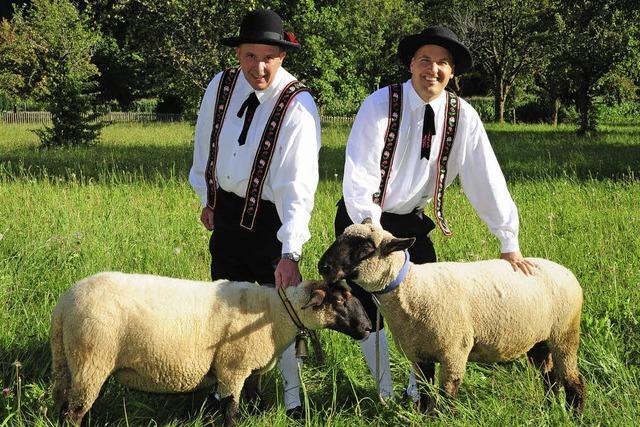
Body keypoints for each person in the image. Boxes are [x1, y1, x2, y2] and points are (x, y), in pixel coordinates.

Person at [333, 26, 535, 402]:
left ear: (452, 72)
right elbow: (359, 171)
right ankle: (384, 391)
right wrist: (372, 230)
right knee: (366, 310)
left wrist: (508, 239)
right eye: (425, 60)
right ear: (411, 64)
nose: (433, 69)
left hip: (411, 223)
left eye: (443, 62)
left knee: (425, 309)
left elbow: (485, 177)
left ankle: (417, 392)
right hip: (365, 223)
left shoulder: (464, 117)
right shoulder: (379, 105)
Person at [189, 9, 321, 418]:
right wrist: (207, 196)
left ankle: (292, 400)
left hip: (271, 223)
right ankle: (226, 396)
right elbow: (205, 142)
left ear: (283, 56)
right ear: (239, 54)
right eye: (249, 56)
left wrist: (290, 251)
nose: (258, 67)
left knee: (273, 316)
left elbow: (298, 187)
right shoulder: (222, 84)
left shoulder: (298, 106)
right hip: (226, 216)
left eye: (268, 56)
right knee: (225, 307)